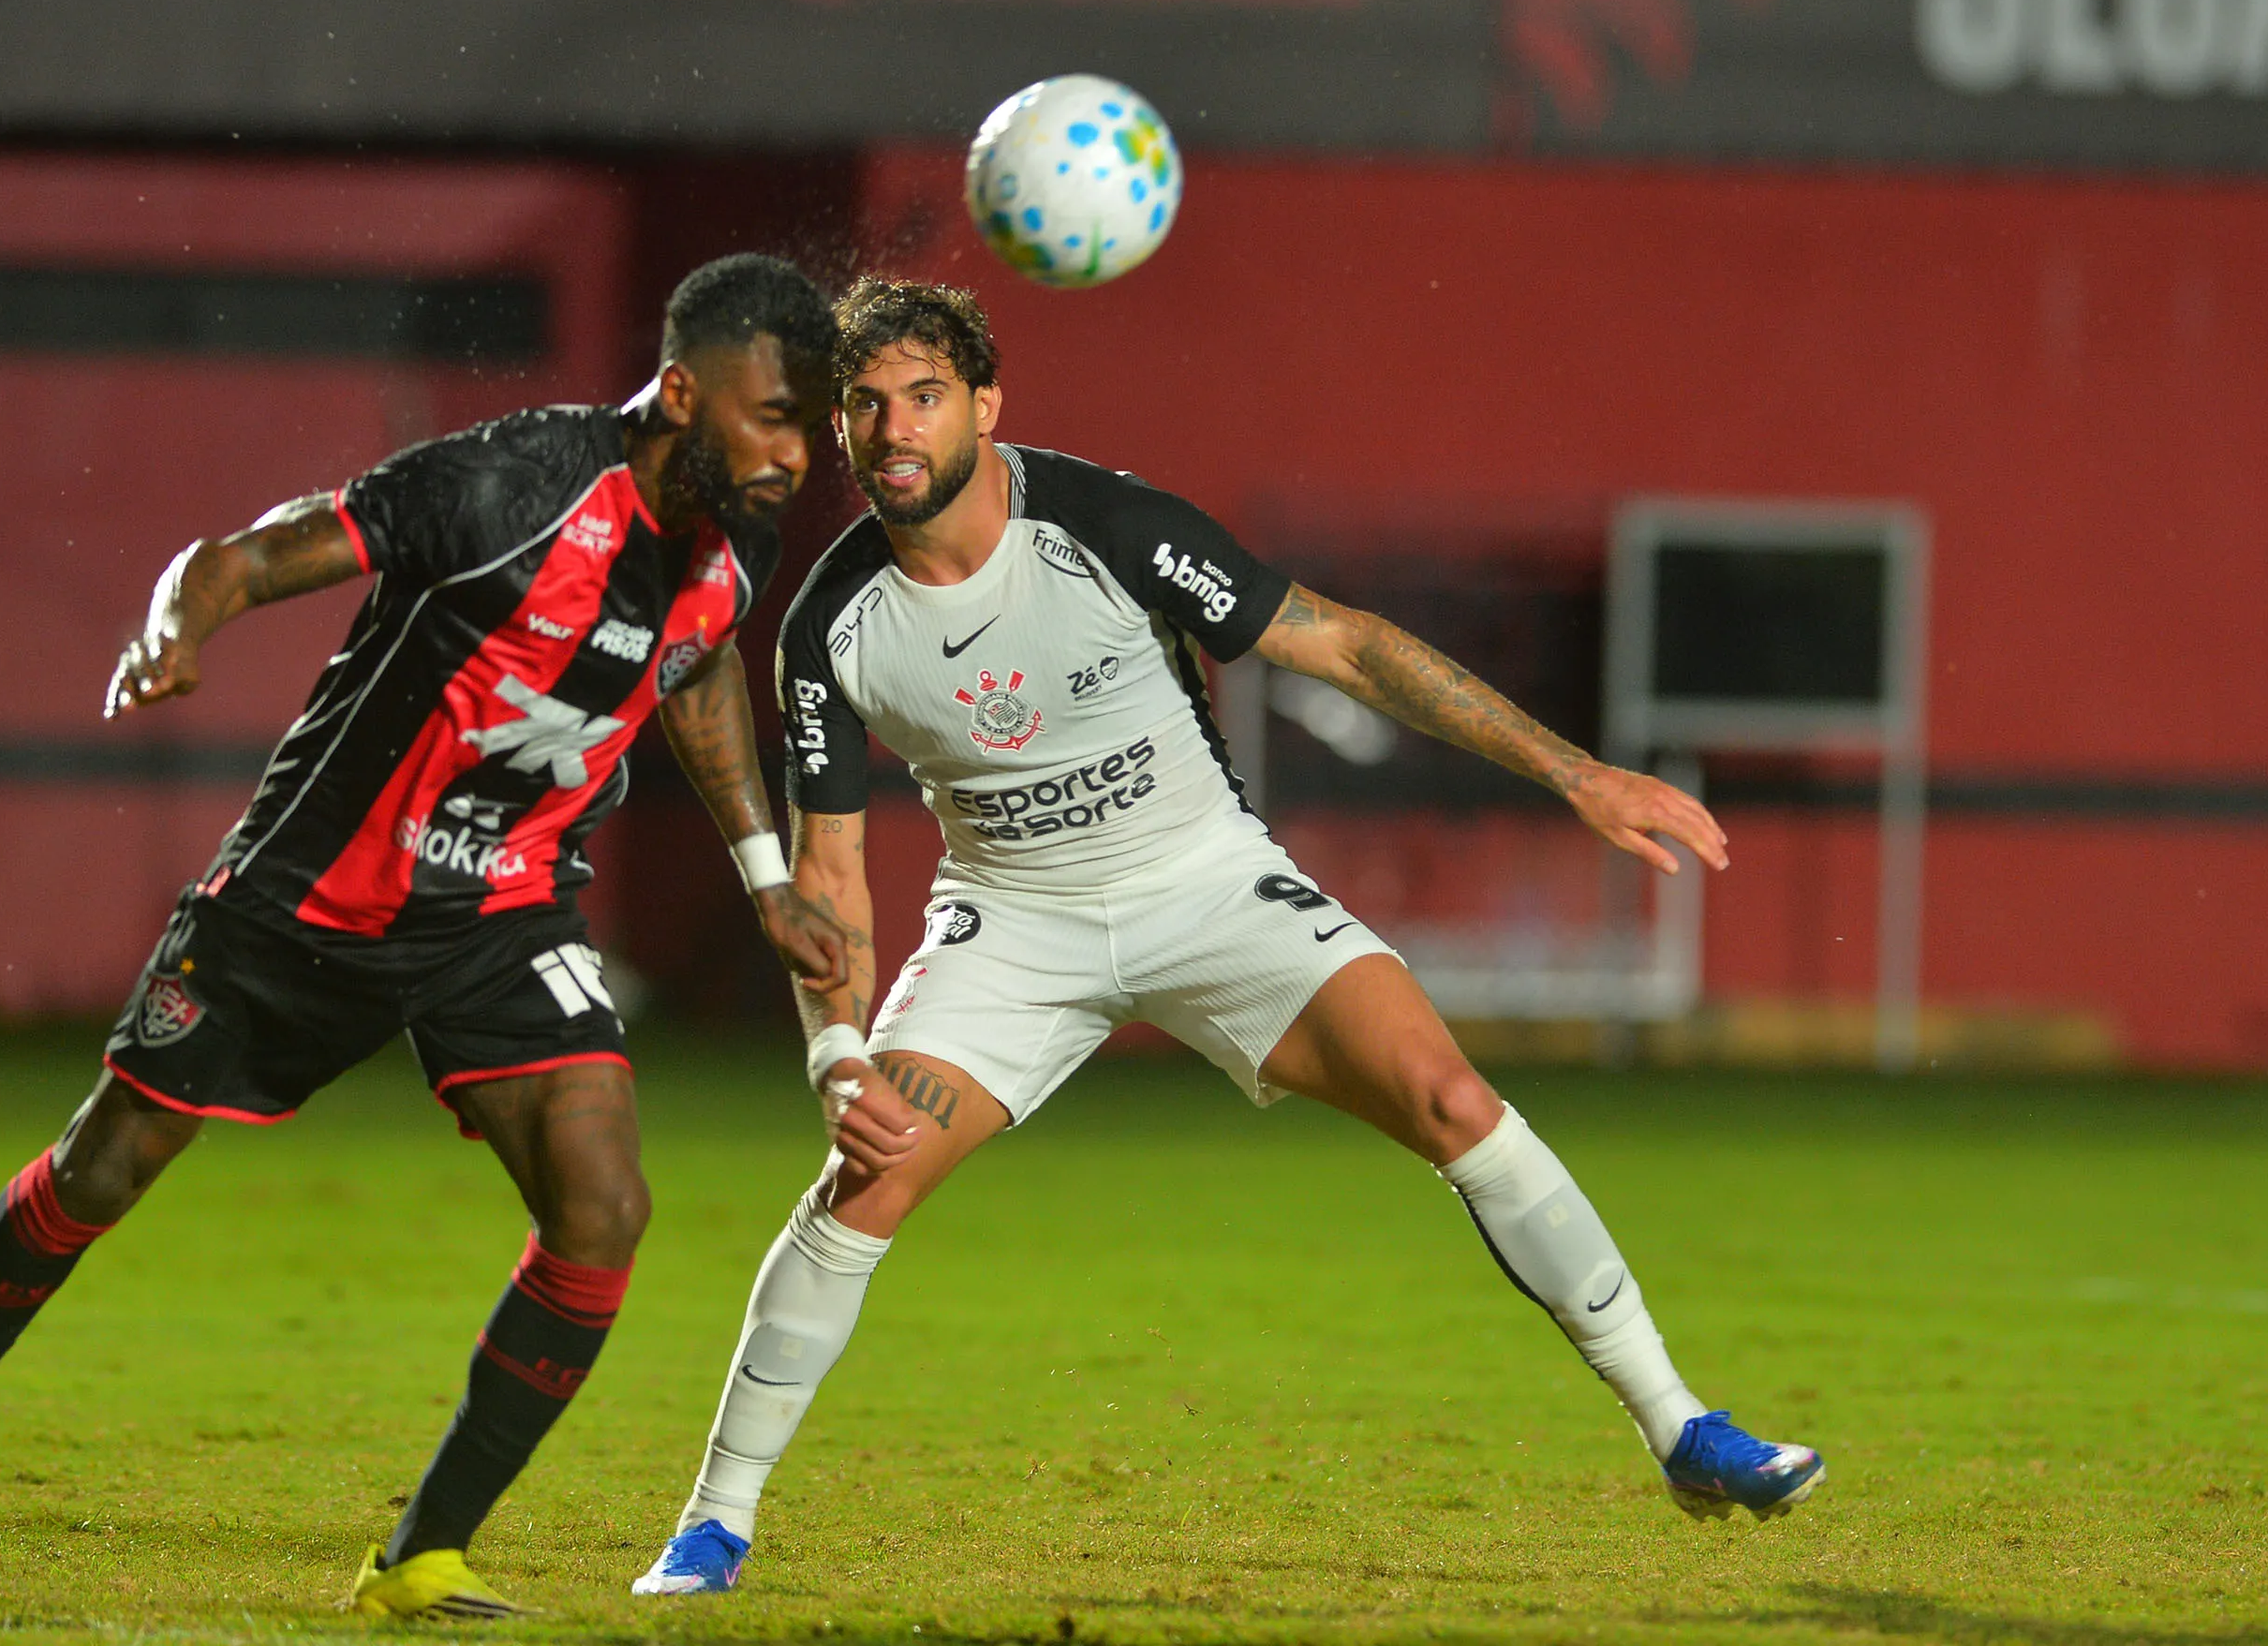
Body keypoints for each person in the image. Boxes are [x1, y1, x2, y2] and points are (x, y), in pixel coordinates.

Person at [631, 278, 1822, 1596]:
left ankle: (1682, 1429)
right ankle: (714, 1521)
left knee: (1449, 1094)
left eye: (924, 396)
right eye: (867, 404)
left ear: (984, 405)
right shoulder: (827, 629)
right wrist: (837, 1052)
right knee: (867, 1179)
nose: (894, 428)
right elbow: (833, 875)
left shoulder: (1106, 523)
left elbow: (1351, 650)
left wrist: (1574, 772)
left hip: (1205, 887)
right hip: (1012, 927)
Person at [0, 255, 851, 1624]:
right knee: (106, 1166)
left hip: (499, 910)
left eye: (807, 422)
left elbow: (700, 660)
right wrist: (174, 627)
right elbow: (245, 553)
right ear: (678, 391)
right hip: (306, 904)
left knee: (603, 1205)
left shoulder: (736, 537)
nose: (795, 453)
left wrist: (766, 873)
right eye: (773, 416)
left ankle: (421, 1557)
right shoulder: (509, 488)